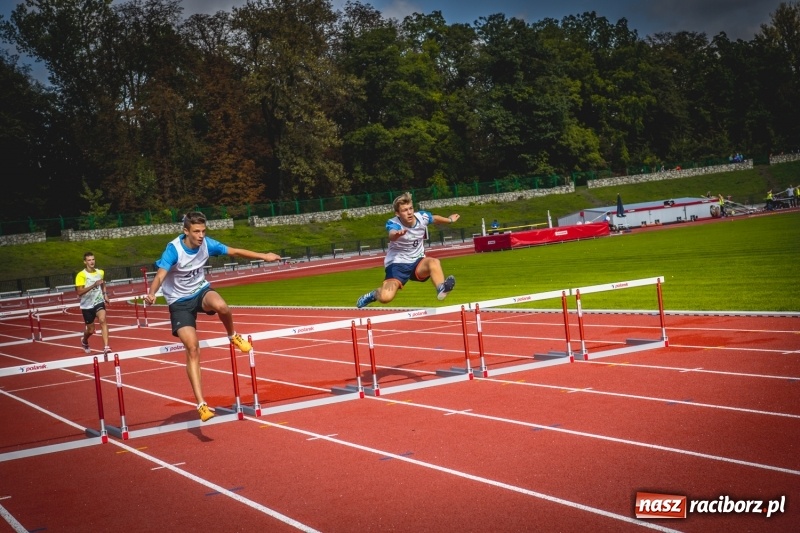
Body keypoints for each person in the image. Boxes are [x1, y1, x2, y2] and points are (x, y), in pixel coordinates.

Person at [144, 211, 281, 422]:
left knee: (222, 306)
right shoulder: (174, 250)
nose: (201, 236)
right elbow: (161, 274)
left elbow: (234, 251)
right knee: (192, 347)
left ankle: (233, 335)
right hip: (179, 302)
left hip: (200, 291)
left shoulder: (207, 244)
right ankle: (202, 405)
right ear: (186, 231)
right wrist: (152, 292)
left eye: (203, 231)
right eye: (196, 231)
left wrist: (265, 256)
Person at [356, 192, 459, 309]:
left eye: (411, 208)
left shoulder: (422, 217)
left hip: (417, 262)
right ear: (397, 213)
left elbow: (434, 218)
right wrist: (396, 234)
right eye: (404, 210)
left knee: (433, 262)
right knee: (386, 298)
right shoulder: (394, 223)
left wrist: (449, 220)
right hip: (397, 264)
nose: (409, 212)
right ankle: (373, 295)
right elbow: (391, 234)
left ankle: (441, 288)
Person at [76, 252, 110, 354]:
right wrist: (93, 285)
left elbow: (103, 283)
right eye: (89, 260)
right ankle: (84, 340)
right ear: (85, 262)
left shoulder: (100, 272)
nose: (92, 262)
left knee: (103, 320)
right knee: (90, 330)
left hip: (98, 301)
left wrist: (105, 294)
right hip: (87, 305)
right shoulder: (81, 275)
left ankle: (106, 347)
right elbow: (79, 292)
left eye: (93, 259)